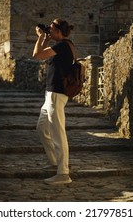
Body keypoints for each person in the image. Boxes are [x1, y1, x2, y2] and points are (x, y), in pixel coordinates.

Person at [32, 18, 74, 185]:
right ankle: (54, 162)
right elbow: (42, 54)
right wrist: (45, 38)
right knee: (42, 128)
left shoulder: (62, 45)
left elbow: (36, 55)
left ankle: (63, 173)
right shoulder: (61, 45)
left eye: (51, 29)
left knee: (58, 133)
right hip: (50, 94)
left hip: (56, 94)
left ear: (58, 31)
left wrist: (40, 37)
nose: (48, 30)